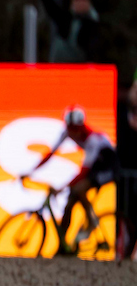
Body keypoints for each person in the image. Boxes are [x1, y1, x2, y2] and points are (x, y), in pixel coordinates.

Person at [23, 106, 118, 255]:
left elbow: (84, 171)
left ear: (80, 128)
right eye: (69, 129)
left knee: (77, 190)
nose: (71, 133)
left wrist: (62, 187)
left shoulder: (93, 140)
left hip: (108, 167)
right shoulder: (67, 131)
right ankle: (63, 245)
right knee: (69, 205)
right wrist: (30, 171)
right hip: (95, 166)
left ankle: (92, 223)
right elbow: (50, 154)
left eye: (74, 130)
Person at [37, 0, 101, 64]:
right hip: (60, 66)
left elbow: (94, 48)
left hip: (79, 68)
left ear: (88, 2)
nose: (79, 3)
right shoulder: (66, 19)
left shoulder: (92, 23)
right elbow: (49, 4)